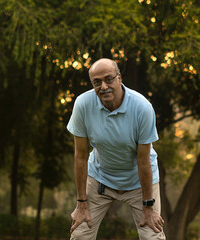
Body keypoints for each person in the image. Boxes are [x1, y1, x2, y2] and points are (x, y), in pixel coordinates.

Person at [67, 58, 165, 239]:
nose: (103, 86)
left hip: (139, 182)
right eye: (97, 82)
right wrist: (81, 204)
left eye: (109, 79)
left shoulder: (142, 108)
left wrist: (148, 206)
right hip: (100, 179)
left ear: (119, 78)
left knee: (152, 236)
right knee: (80, 234)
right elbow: (80, 156)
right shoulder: (83, 104)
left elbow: (143, 161)